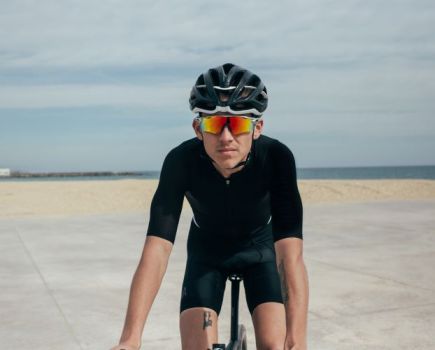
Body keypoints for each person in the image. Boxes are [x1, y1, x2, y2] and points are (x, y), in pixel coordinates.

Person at [110, 63, 309, 350]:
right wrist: (130, 339)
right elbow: (157, 249)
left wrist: (296, 341)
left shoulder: (276, 158)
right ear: (197, 129)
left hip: (260, 250)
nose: (226, 137)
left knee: (276, 346)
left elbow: (289, 256)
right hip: (207, 254)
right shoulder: (180, 161)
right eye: (214, 124)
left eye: (238, 124)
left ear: (258, 128)